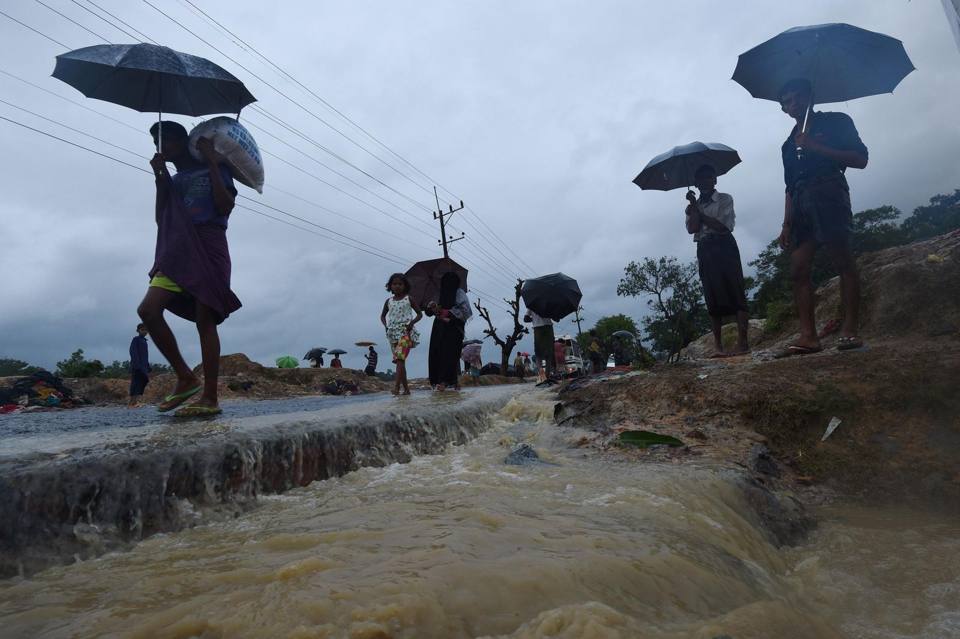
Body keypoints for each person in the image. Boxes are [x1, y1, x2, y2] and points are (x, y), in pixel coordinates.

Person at [137, 121, 241, 417]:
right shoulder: (174, 179)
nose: (161, 146)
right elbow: (161, 219)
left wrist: (212, 162)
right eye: (156, 142)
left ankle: (210, 397)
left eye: (167, 139)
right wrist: (159, 177)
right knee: (148, 311)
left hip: (210, 245)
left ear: (184, 141)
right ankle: (185, 377)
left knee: (205, 320)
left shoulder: (216, 168)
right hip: (177, 250)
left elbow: (224, 206)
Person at [776, 78, 868, 357]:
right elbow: (789, 186)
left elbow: (860, 159)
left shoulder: (837, 121)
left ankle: (850, 329)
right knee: (798, 268)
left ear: (811, 97)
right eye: (787, 102)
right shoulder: (787, 145)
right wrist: (786, 223)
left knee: (842, 260)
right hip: (800, 202)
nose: (793, 104)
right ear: (784, 109)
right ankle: (809, 337)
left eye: (798, 97)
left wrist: (815, 146)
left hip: (829, 191)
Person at [685, 164, 750, 357]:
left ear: (714, 179)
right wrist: (693, 208)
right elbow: (693, 229)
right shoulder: (693, 207)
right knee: (711, 294)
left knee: (736, 290)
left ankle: (743, 343)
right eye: (701, 178)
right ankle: (718, 346)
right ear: (696, 183)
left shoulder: (725, 198)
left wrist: (698, 212)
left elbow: (722, 226)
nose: (705, 181)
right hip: (705, 248)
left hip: (724, 245)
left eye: (708, 177)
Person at [425, 272, 472, 390]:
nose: (448, 284)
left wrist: (449, 313)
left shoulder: (459, 293)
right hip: (439, 328)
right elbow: (428, 312)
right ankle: (441, 381)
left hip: (454, 328)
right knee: (437, 353)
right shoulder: (438, 293)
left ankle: (447, 382)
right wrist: (432, 307)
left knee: (451, 354)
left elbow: (466, 311)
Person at [381, 273, 422, 395]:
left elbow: (420, 314)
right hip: (392, 333)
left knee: (399, 358)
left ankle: (397, 388)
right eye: (394, 284)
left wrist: (412, 323)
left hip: (406, 332)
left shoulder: (409, 299)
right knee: (400, 362)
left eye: (400, 284)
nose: (397, 286)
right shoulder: (388, 301)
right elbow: (382, 316)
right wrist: (386, 326)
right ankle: (407, 390)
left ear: (405, 286)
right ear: (390, 286)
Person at [524, 309, 555, 377]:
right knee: (549, 353)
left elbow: (525, 319)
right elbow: (556, 318)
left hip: (538, 329)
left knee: (538, 353)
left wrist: (533, 319)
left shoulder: (531, 306)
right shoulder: (549, 305)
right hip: (548, 328)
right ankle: (547, 375)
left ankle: (541, 373)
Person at [128, 323, 150, 407]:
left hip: (143, 367)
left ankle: (135, 401)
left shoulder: (144, 341)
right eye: (142, 330)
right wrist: (137, 365)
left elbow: (145, 355)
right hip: (137, 366)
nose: (145, 331)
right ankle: (132, 403)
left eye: (146, 330)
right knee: (135, 383)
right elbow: (133, 352)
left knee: (142, 382)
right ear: (138, 330)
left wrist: (148, 366)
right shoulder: (136, 339)